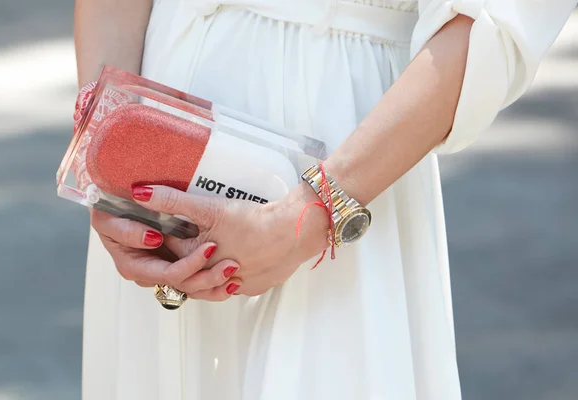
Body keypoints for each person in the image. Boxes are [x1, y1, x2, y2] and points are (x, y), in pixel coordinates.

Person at [74, 1, 576, 399]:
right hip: (159, 129)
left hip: (347, 138)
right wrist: (109, 160)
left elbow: (493, 22)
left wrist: (312, 212)